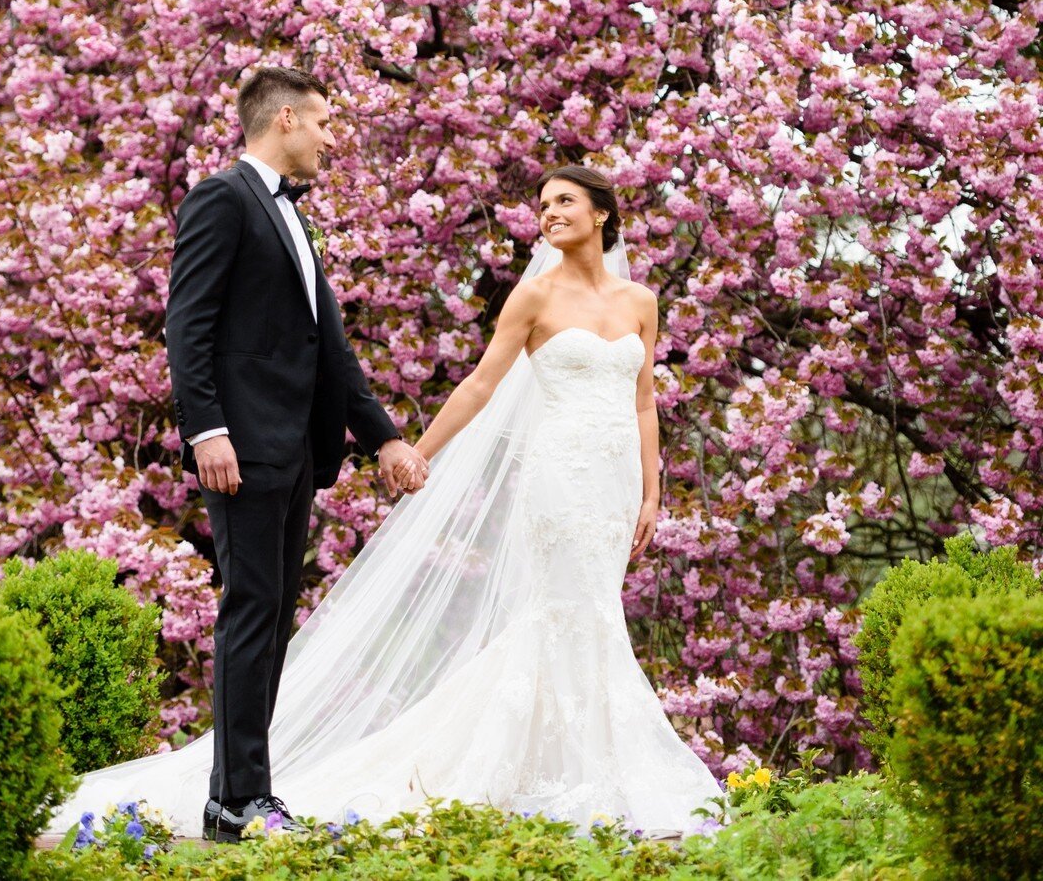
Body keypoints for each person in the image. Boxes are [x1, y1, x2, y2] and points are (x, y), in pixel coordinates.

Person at [47, 160, 720, 842]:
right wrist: (417, 450)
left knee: (597, 612)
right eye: (543, 203)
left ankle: (590, 764)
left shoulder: (640, 301)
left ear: (601, 213)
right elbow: (481, 388)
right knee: (561, 610)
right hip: (558, 477)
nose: (548, 213)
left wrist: (650, 491)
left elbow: (643, 402)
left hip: (612, 483)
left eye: (565, 200)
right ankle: (548, 771)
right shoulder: (535, 298)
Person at [164, 66, 427, 842]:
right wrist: (206, 430)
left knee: (271, 617)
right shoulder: (223, 198)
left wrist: (382, 437)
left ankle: (235, 797)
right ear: (282, 120)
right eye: (321, 122)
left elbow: (329, 348)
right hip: (241, 449)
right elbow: (189, 323)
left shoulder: (292, 220)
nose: (328, 137)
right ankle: (242, 798)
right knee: (251, 612)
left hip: (290, 453)